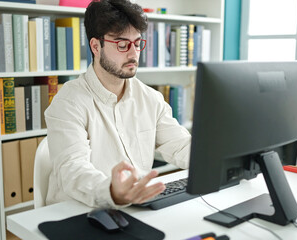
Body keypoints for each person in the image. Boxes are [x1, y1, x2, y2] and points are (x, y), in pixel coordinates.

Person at [44, 0, 191, 209]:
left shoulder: (150, 98)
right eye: (122, 45)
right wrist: (112, 192)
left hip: (133, 208)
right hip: (78, 212)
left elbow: (180, 146)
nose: (133, 54)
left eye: (138, 43)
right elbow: (72, 170)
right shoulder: (68, 102)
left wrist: (221, 161)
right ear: (96, 46)